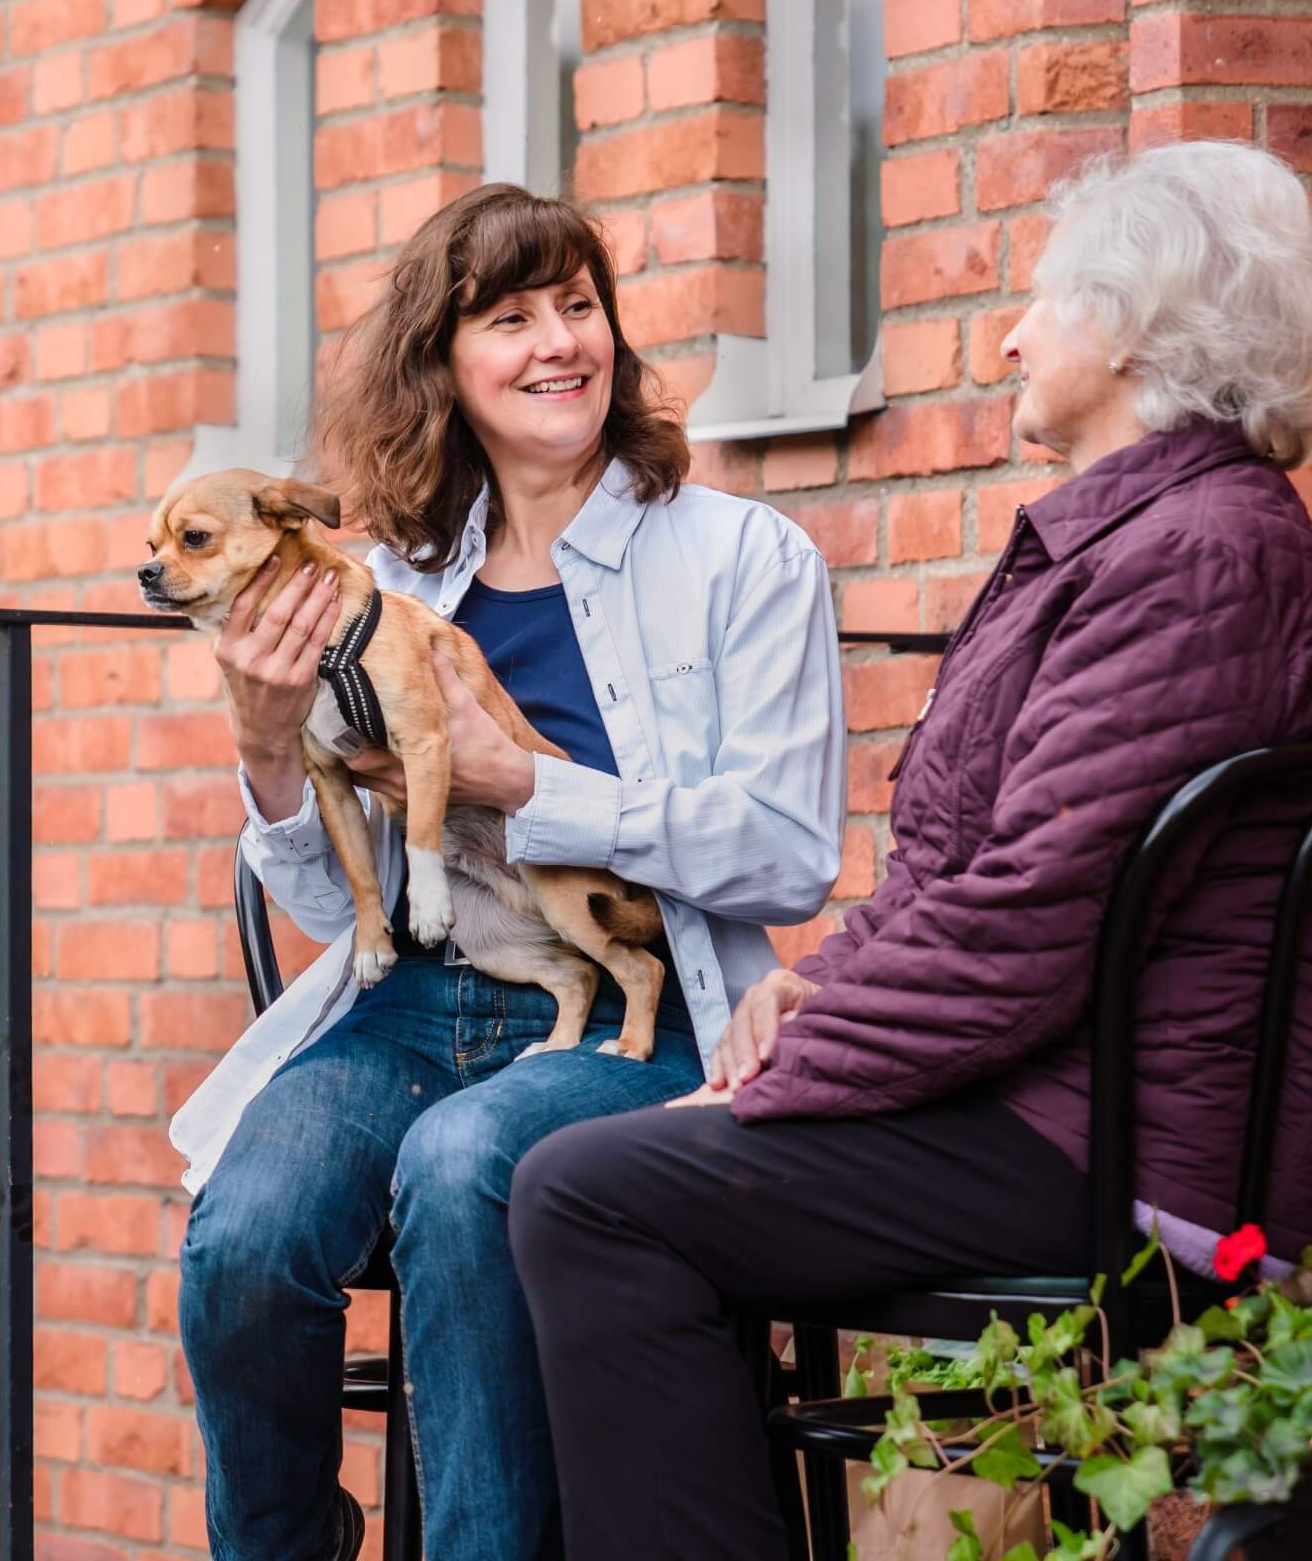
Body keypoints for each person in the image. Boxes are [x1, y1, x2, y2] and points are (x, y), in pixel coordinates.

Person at [507, 140, 1312, 1561]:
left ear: (1130, 331)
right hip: (1065, 1102)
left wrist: (791, 1077)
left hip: (1139, 1153)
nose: (1010, 333)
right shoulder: (1151, 539)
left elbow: (1033, 913)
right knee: (601, 1171)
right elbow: (968, 874)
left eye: (1043, 300)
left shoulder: (1195, 560)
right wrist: (811, 993)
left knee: (592, 1194)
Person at [170, 185, 846, 1561]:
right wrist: (264, 744)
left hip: (636, 1018)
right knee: (246, 1231)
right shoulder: (388, 582)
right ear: (445, 366)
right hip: (412, 1008)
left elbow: (787, 855)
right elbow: (320, 904)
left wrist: (529, 785)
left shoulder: (741, 559)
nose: (559, 344)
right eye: (510, 317)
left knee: (466, 1161)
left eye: (579, 306)